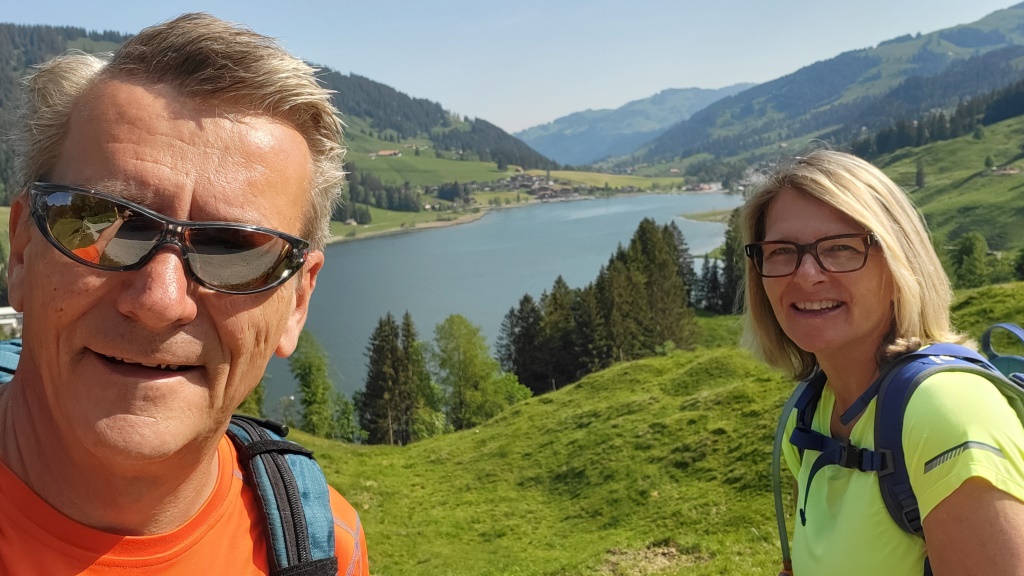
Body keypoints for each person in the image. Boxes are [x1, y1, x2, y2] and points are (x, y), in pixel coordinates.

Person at [2, 13, 369, 575]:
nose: (160, 301)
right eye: (107, 224)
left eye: (234, 250)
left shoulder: (323, 551)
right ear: (23, 252)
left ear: (297, 302)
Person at [740, 150, 1024, 575]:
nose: (807, 275)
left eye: (839, 247)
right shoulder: (809, 411)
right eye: (781, 251)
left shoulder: (946, 413)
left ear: (897, 261)